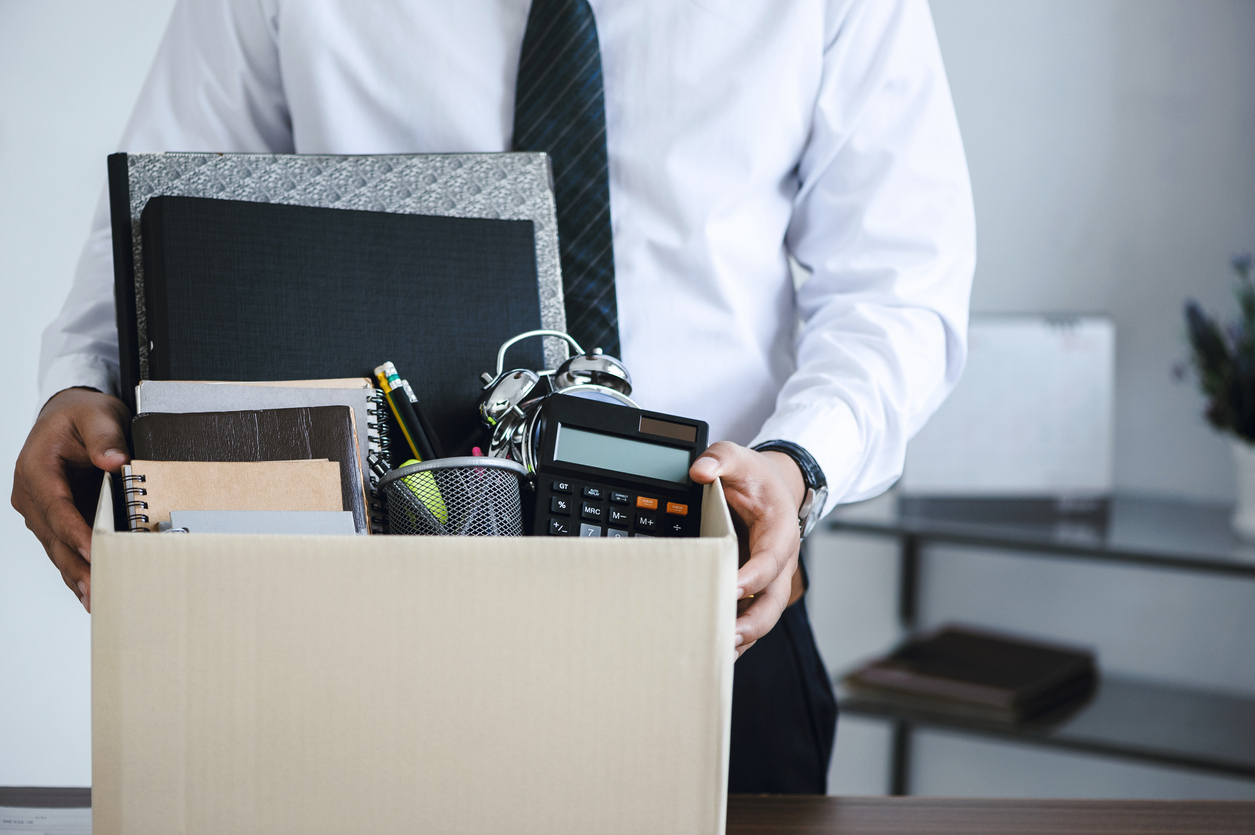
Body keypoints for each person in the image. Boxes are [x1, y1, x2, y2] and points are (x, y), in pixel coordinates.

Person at [11, 0, 974, 794]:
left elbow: (898, 284)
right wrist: (85, 380)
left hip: (708, 606)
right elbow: (160, 212)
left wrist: (801, 465)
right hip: (350, 623)